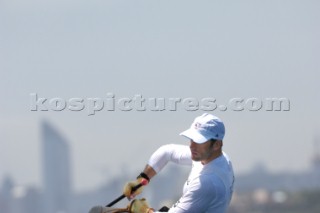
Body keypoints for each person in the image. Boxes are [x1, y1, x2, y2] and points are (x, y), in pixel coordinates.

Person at [124, 113, 235, 213]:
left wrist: (145, 210)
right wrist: (142, 179)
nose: (192, 146)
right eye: (192, 139)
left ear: (217, 145)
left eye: (199, 141)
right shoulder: (215, 156)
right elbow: (167, 151)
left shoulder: (207, 183)